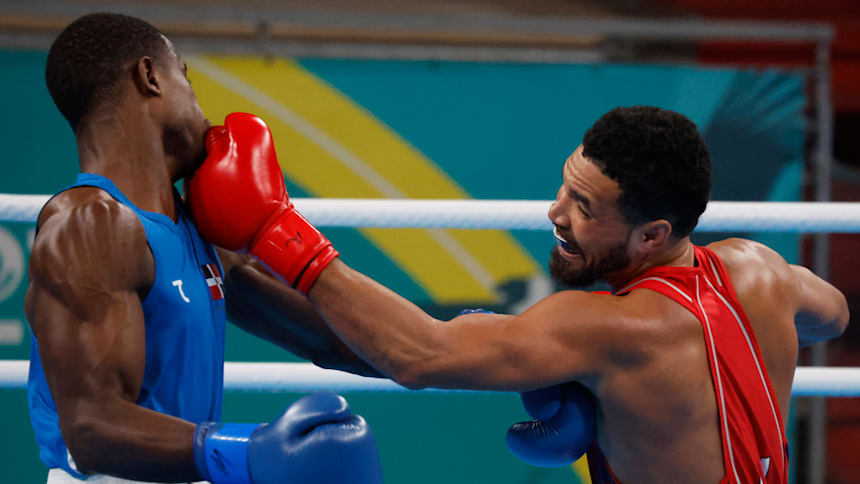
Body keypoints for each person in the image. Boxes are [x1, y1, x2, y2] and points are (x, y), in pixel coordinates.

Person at [189, 107, 850, 484]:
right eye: (566, 186)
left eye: (584, 207)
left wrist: (279, 234)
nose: (555, 212)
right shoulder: (764, 273)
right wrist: (752, 353)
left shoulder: (607, 328)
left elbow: (420, 355)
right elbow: (834, 316)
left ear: (652, 234)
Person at [26, 13, 383, 484]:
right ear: (150, 76)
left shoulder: (195, 229)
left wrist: (463, 351)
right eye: (186, 78)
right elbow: (92, 430)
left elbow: (335, 338)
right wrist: (248, 451)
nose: (203, 110)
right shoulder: (89, 224)